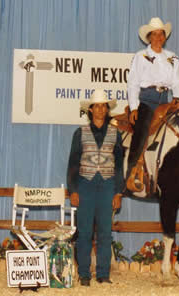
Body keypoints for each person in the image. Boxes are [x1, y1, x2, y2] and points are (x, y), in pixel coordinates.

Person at [67, 89, 124, 286]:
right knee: (84, 231)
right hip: (85, 183)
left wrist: (118, 191)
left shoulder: (116, 133)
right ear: (90, 110)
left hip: (108, 184)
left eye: (103, 106)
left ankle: (103, 273)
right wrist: (73, 190)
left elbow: (119, 165)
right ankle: (84, 274)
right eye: (97, 106)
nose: (100, 109)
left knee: (105, 231)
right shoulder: (80, 133)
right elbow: (73, 164)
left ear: (107, 110)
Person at [126, 17, 179, 191]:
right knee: (142, 128)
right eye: (155, 34)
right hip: (146, 99)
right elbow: (133, 83)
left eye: (161, 34)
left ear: (164, 37)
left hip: (165, 100)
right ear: (149, 37)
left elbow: (177, 82)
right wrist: (134, 107)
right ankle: (131, 170)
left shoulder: (172, 57)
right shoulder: (141, 56)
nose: (159, 37)